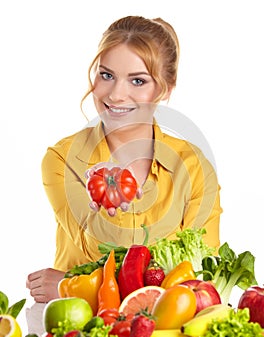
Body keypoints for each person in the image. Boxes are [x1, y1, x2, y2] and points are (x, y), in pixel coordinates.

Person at [26, 15, 222, 303]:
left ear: (166, 88)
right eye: (106, 75)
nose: (116, 94)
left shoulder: (193, 167)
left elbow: (201, 282)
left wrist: (67, 286)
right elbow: (94, 252)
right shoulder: (63, 160)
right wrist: (106, 205)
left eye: (138, 81)